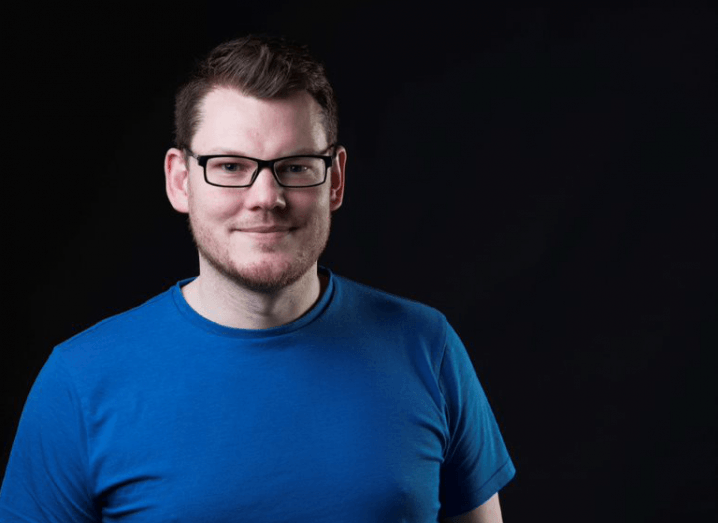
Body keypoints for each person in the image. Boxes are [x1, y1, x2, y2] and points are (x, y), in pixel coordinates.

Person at [0, 35, 515, 522]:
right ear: (180, 181)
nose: (266, 197)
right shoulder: (80, 381)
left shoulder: (427, 347)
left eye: (294, 166)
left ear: (335, 179)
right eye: (229, 166)